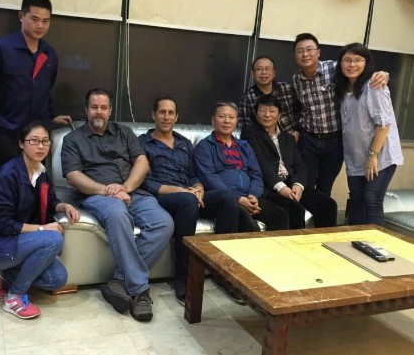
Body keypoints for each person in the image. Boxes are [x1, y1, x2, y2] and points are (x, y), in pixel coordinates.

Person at [61, 88, 174, 321]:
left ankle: (119, 281)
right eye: (94, 107)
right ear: (86, 110)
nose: (99, 112)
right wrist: (107, 190)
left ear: (110, 110)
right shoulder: (72, 139)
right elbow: (73, 176)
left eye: (104, 107)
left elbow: (142, 162)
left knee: (164, 222)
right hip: (98, 195)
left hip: (132, 192)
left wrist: (126, 187)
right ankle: (140, 291)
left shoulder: (125, 132)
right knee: (118, 214)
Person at [139, 95, 245, 305]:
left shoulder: (184, 143)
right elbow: (146, 183)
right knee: (187, 201)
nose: (166, 117)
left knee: (227, 197)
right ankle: (183, 278)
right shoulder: (142, 143)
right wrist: (181, 191)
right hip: (162, 198)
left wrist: (198, 188)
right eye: (162, 112)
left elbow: (194, 175)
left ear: (176, 117)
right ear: (153, 115)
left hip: (188, 196)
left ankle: (223, 273)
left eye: (171, 113)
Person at [0, 121, 80, 319]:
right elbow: (2, 225)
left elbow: (50, 201)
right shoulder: (7, 176)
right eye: (34, 141)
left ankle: (1, 275)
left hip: (15, 241)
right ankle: (14, 297)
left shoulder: (40, 172)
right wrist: (42, 229)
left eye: (45, 141)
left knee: (57, 278)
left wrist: (64, 206)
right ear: (21, 143)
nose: (40, 146)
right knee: (53, 238)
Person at [0, 0, 72, 171]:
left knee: (35, 183)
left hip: (38, 137)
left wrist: (51, 115)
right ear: (21, 16)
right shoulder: (0, 48)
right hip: (7, 135)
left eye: (45, 21)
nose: (40, 26)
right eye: (35, 19)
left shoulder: (49, 54)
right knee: (7, 183)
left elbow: (46, 90)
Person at [291, 33, 389, 196]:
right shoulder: (296, 80)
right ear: (295, 56)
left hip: (335, 141)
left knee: (325, 186)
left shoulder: (335, 68)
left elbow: (358, 68)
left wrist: (384, 74)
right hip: (308, 140)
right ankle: (304, 213)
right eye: (300, 51)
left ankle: (323, 213)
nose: (305, 54)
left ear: (318, 52)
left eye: (309, 49)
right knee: (305, 184)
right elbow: (299, 108)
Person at [241, 94, 337, 229]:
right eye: (263, 110)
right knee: (295, 209)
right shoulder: (250, 133)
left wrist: (299, 185)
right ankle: (296, 242)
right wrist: (281, 187)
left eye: (272, 111)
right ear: (256, 113)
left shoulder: (287, 138)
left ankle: (322, 241)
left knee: (328, 205)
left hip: (290, 183)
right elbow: (260, 163)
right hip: (269, 188)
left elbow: (299, 165)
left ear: (279, 114)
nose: (267, 115)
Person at [193, 101, 290, 231]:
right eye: (222, 116)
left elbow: (256, 174)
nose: (227, 121)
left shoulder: (244, 146)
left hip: (248, 197)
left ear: (236, 121)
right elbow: (209, 178)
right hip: (223, 199)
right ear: (213, 120)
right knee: (246, 221)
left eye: (231, 117)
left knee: (280, 216)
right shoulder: (204, 147)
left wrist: (253, 196)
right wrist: (238, 199)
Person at [334, 43, 403, 226]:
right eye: (347, 60)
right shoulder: (343, 88)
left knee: (371, 199)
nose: (352, 64)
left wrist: (373, 156)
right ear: (340, 63)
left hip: (379, 156)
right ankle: (355, 240)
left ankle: (373, 241)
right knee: (356, 200)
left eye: (358, 60)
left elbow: (384, 124)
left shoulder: (374, 86)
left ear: (366, 63)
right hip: (356, 156)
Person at [238, 56, 300, 139]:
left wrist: (297, 131)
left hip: (291, 138)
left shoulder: (286, 88)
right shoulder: (248, 97)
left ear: (274, 73)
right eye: (259, 69)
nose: (264, 72)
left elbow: (300, 111)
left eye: (267, 68)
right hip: (263, 141)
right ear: (253, 74)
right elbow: (244, 125)